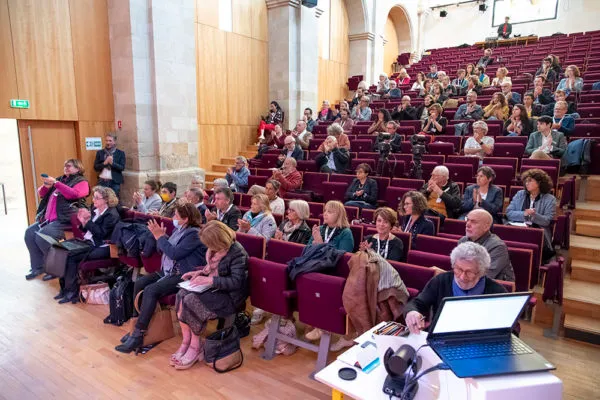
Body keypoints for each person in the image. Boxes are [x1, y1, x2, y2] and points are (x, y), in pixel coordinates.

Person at [115, 203, 206, 353]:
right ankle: (135, 326)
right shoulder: (180, 230)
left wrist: (160, 237)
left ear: (186, 219)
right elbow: (163, 249)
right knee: (139, 282)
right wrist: (161, 238)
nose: (173, 218)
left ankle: (139, 334)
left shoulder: (194, 233)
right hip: (170, 271)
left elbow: (174, 254)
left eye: (176, 215)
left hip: (185, 275)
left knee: (151, 290)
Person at [172, 220, 249, 370]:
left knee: (191, 301)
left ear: (218, 240)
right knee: (181, 294)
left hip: (230, 297)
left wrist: (209, 280)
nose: (209, 248)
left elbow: (236, 282)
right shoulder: (216, 249)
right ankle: (186, 341)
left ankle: (195, 347)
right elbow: (211, 269)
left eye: (210, 244)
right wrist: (199, 273)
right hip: (216, 288)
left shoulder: (237, 252)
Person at [404, 241, 507, 334]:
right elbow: (418, 303)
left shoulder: (497, 291)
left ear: (481, 272)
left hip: (479, 344)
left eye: (469, 272)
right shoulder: (441, 281)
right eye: (458, 269)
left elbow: (513, 328)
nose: (462, 277)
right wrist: (412, 312)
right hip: (442, 338)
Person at [24, 159, 90, 280]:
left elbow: (75, 194)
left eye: (69, 166)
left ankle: (55, 269)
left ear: (78, 168)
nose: (66, 168)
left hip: (66, 219)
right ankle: (38, 267)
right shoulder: (60, 180)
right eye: (65, 166)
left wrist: (56, 183)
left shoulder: (82, 181)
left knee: (43, 237)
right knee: (29, 233)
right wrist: (46, 185)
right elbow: (42, 193)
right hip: (49, 219)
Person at [57, 186, 120, 303]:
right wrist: (83, 222)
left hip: (103, 246)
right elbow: (88, 230)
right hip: (89, 242)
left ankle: (72, 292)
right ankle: (64, 289)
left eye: (97, 198)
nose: (93, 200)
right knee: (61, 249)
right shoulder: (95, 210)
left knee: (70, 256)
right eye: (93, 197)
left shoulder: (111, 215)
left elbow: (101, 234)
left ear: (106, 200)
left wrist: (87, 221)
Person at [506, 169, 557, 263]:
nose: (527, 183)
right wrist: (524, 214)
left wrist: (534, 215)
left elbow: (546, 221)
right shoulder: (520, 194)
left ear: (539, 183)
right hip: (518, 227)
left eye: (530, 181)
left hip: (537, 230)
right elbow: (509, 213)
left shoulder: (550, 199)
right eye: (526, 181)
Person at [458, 209, 514, 281]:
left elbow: (487, 275)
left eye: (473, 222)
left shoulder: (498, 246)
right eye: (467, 220)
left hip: (495, 288)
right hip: (467, 282)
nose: (467, 224)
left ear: (486, 227)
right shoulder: (463, 241)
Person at [94, 133, 126, 197]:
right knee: (102, 198)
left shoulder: (120, 153)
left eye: (110, 141)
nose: (108, 142)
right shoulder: (100, 153)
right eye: (106, 140)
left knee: (114, 200)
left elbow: (122, 167)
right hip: (102, 181)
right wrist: (104, 163)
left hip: (114, 182)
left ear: (114, 142)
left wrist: (112, 163)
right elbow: (95, 167)